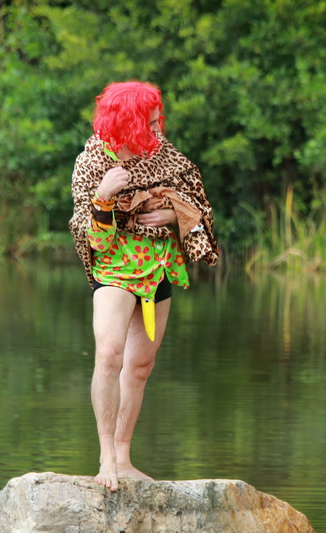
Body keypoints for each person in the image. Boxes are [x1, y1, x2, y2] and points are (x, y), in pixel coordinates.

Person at [69, 81, 219, 492]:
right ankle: (105, 458)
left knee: (139, 367)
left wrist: (174, 214)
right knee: (109, 353)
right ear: (127, 122)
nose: (157, 128)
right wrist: (103, 198)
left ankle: (123, 457)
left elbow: (200, 206)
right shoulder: (92, 161)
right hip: (116, 267)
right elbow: (92, 240)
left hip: (158, 267)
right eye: (149, 122)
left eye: (158, 121)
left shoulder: (164, 154)